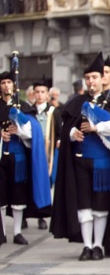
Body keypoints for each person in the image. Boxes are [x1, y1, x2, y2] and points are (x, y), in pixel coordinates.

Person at [51, 53, 110, 261]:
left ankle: (98, 246)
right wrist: (71, 134)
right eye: (88, 78)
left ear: (103, 79)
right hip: (80, 162)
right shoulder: (76, 103)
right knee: (83, 205)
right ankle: (86, 246)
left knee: (100, 207)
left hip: (104, 165)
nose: (91, 81)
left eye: (95, 77)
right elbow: (65, 128)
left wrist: (97, 127)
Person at [0, 71, 51, 246]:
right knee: (0, 196)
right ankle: (2, 232)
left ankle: (17, 232)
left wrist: (18, 130)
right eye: (3, 82)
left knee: (17, 195)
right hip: (0, 157)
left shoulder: (23, 107)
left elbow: (32, 131)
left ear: (14, 86)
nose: (6, 85)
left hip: (19, 157)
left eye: (9, 82)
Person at [33, 81, 55, 230]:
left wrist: (58, 140)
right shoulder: (29, 111)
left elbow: (59, 130)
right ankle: (27, 214)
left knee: (46, 182)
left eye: (43, 92)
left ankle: (42, 214)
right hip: (34, 150)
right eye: (37, 92)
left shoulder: (54, 112)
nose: (40, 95)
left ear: (47, 94)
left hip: (49, 151)